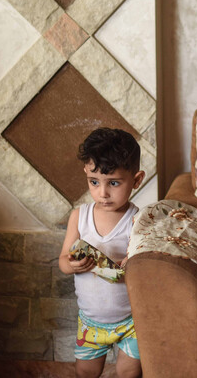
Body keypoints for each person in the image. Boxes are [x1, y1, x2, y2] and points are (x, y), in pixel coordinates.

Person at [59, 128, 145, 378]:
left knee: (129, 372)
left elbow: (141, 264)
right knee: (85, 372)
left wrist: (130, 263)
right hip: (90, 322)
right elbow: (63, 261)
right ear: (86, 174)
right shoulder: (79, 217)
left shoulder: (137, 220)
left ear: (136, 180)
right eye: (94, 182)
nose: (103, 193)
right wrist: (72, 265)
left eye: (114, 183)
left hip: (130, 321)